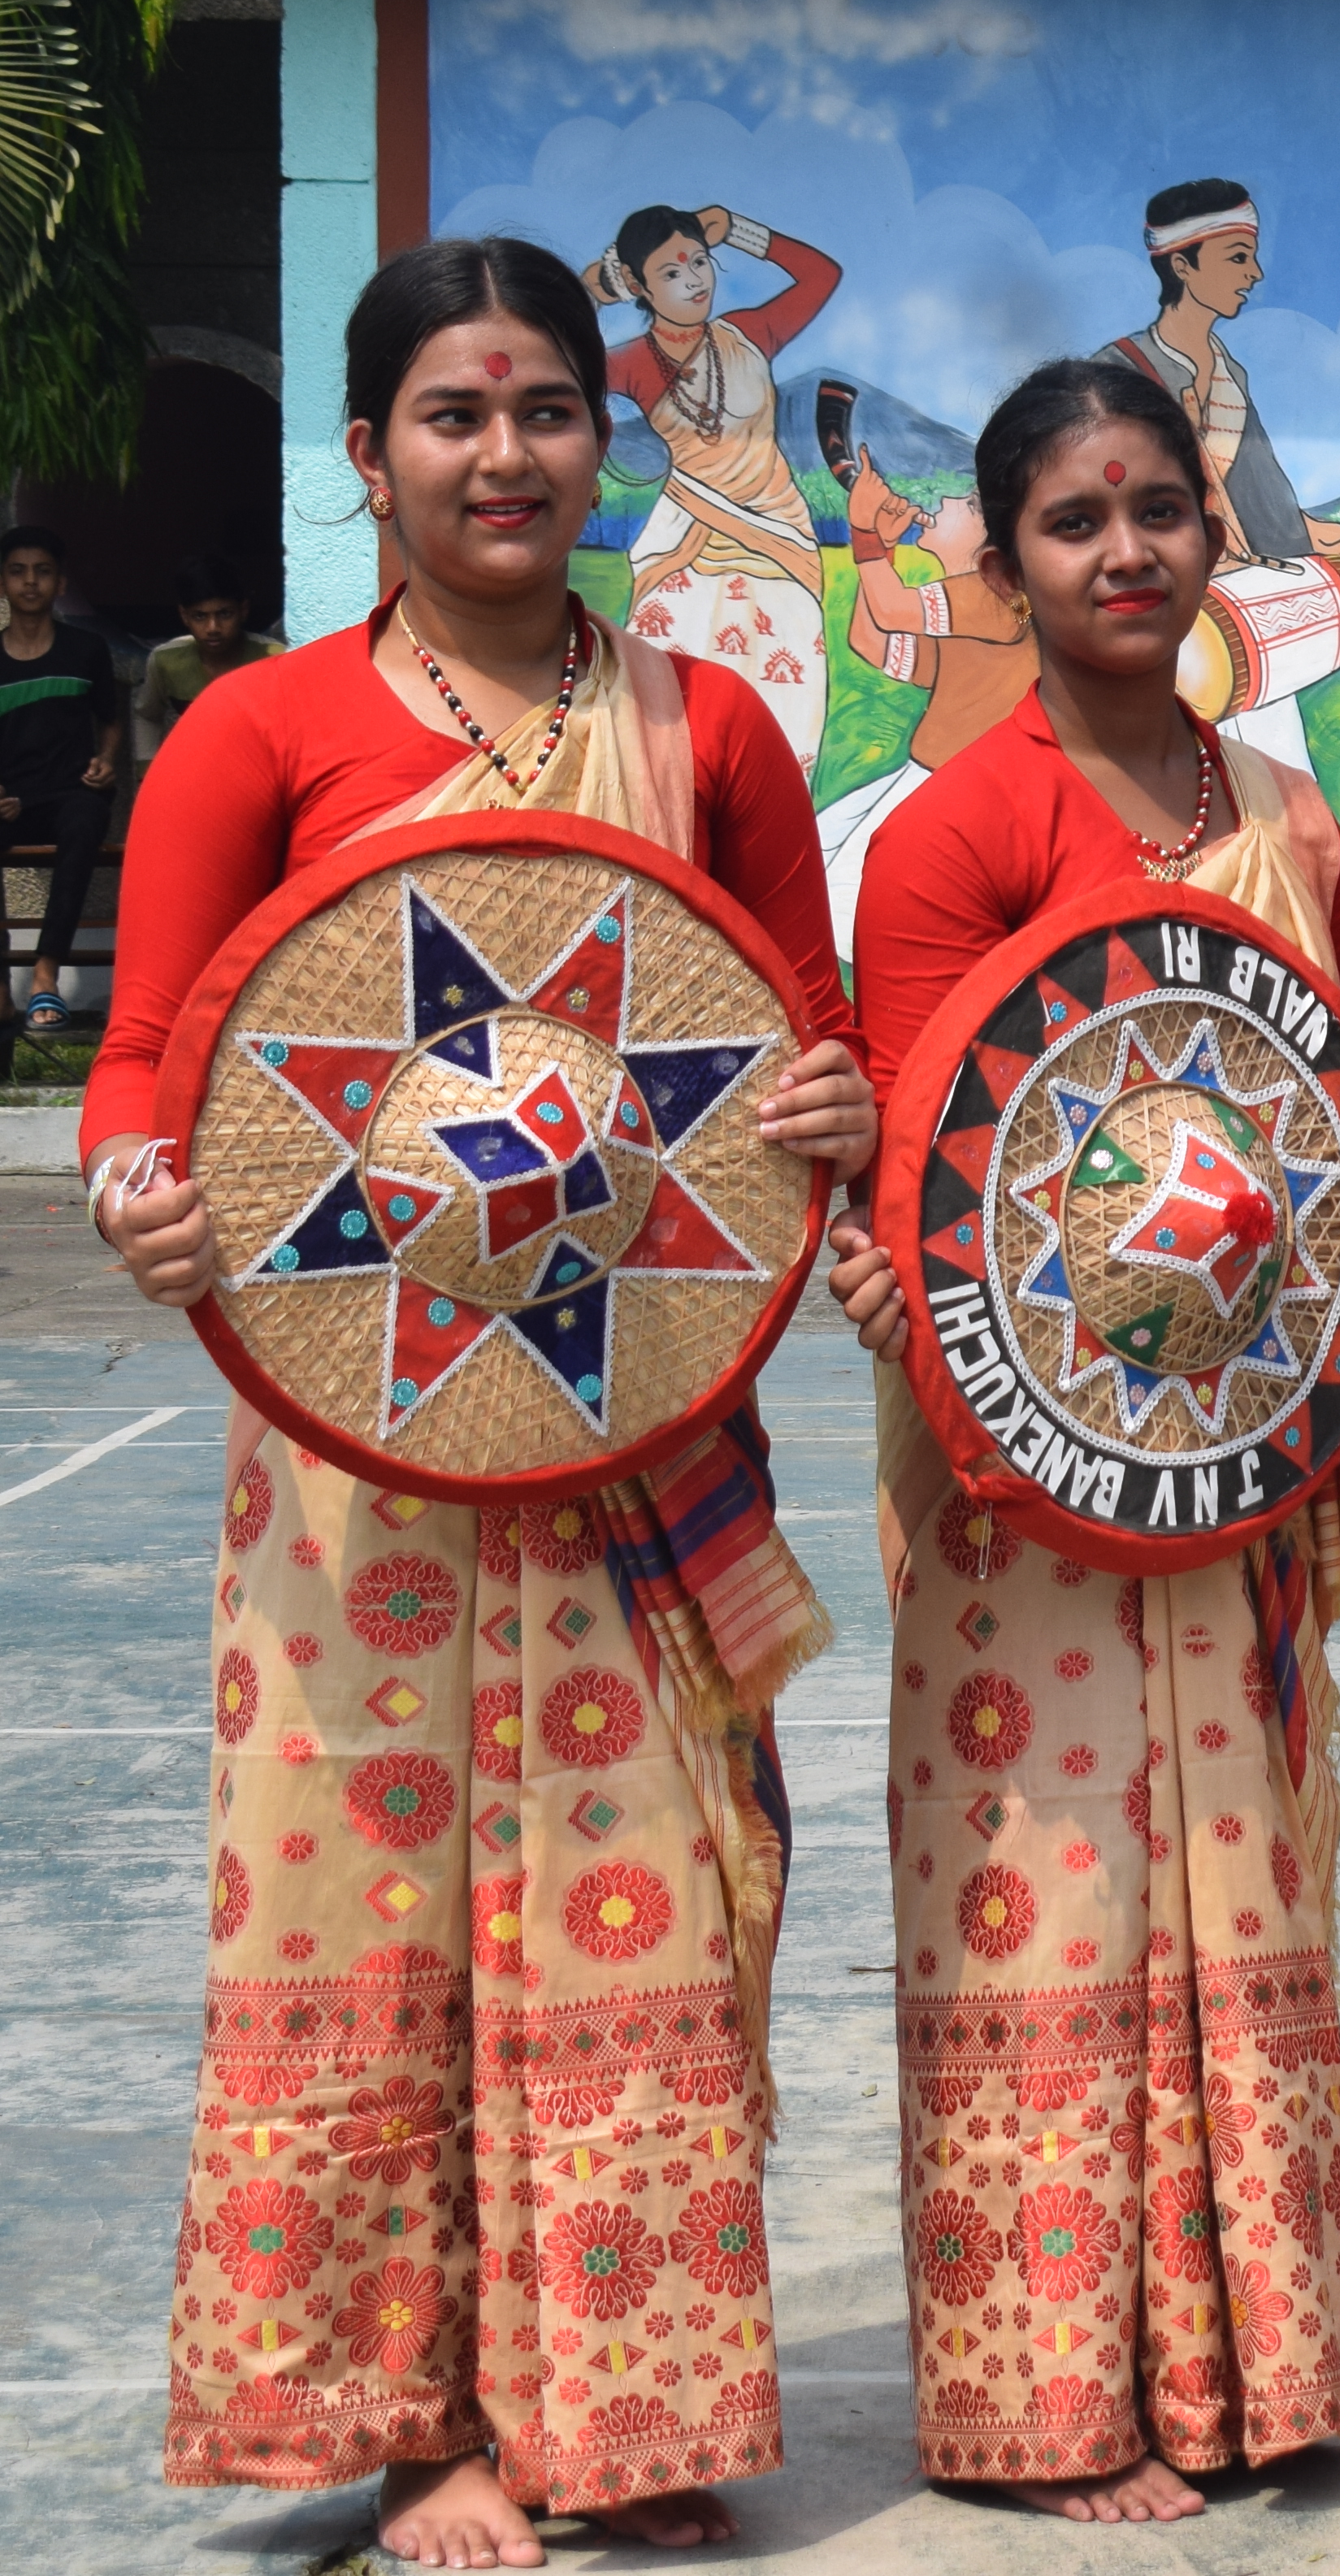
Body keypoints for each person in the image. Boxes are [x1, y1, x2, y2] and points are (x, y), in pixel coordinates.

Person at [84, 238, 874, 2569]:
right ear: (368, 458)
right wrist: (142, 1183)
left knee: (667, 1905)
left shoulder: (711, 730)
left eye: (545, 408)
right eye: (453, 413)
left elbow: (802, 1035)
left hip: (645, 1416)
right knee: (371, 1918)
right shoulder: (259, 733)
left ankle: (624, 2402)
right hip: (363, 1446)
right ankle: (418, 2419)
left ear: (598, 439)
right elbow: (156, 1059)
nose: (506, 452)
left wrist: (829, 1123)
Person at [823, 356, 1340, 2518]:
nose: (1125, 554)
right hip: (1032, 1472)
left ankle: (1262, 2370)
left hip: (1239, 1452)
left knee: (1256, 1881)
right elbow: (920, 1163)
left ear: (1215, 537)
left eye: (1161, 512)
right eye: (1075, 521)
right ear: (1000, 560)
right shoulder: (957, 829)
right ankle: (1043, 2403)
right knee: (1054, 1902)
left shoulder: (1291, 822)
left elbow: (1318, 1103)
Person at [1103, 179, 1340, 776]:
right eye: (1238, 258)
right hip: (1159, 612)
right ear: (1182, 264)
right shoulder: (1115, 375)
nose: (1255, 274)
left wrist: (1306, 533)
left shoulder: (1231, 373)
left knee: (1282, 777)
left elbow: (1254, 483)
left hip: (1231, 612)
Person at [589, 204, 843, 771]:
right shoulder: (629, 363)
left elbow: (822, 276)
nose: (695, 281)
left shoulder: (750, 335)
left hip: (778, 543)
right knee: (667, 730)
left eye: (700, 262)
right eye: (671, 273)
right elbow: (557, 345)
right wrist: (601, 281)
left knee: (782, 723)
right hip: (687, 550)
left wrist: (743, 230)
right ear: (638, 285)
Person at [811, 466, 1040, 952]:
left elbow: (893, 610)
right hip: (926, 778)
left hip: (957, 795)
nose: (947, 502)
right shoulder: (974, 628)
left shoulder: (999, 597)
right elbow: (871, 641)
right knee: (821, 851)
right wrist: (883, 547)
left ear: (989, 542)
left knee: (848, 899)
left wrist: (865, 531)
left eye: (969, 503)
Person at [0, 522, 124, 1028]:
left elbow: (111, 722)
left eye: (43, 572)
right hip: (10, 799)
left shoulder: (86, 650)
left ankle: (45, 976)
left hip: (69, 792)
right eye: (18, 572)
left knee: (84, 821)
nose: (31, 582)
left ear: (61, 583)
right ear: (3, 582)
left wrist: (107, 760)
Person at [134, 552, 282, 761]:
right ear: (184, 616)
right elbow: (146, 715)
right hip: (197, 770)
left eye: (224, 614)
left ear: (243, 610)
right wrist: (147, 771)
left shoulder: (273, 659)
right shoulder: (166, 660)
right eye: (200, 616)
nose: (213, 628)